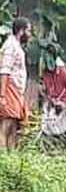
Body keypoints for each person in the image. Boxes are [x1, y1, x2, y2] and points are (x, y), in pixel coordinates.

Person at [0, 18, 32, 150]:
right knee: (6, 124)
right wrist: (2, 95)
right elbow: (4, 71)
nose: (30, 34)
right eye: (28, 31)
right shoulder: (10, 46)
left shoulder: (16, 46)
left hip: (16, 90)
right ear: (21, 31)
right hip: (9, 88)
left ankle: (10, 157)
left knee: (14, 125)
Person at [41, 49, 66, 150]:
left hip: (65, 105)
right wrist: (50, 100)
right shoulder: (45, 73)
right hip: (52, 106)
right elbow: (45, 91)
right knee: (46, 133)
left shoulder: (63, 72)